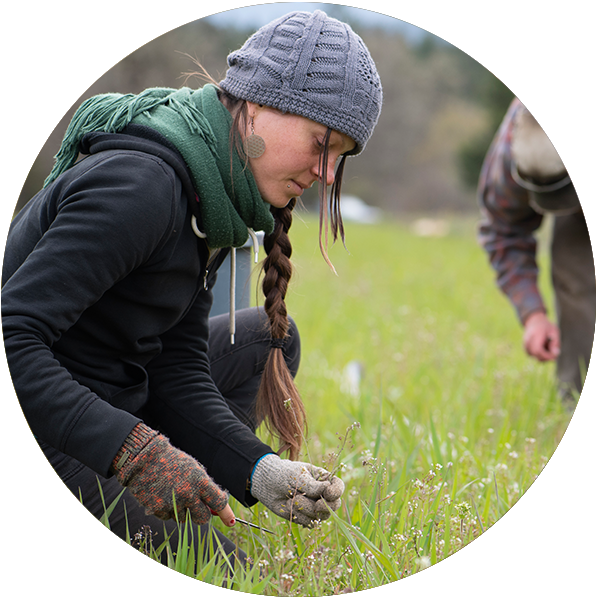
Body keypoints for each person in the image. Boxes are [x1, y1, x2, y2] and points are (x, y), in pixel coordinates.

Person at [2, 10, 382, 566]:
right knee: (226, 570)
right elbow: (13, 338)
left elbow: (174, 366)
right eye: (321, 143)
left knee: (270, 340)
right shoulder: (141, 188)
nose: (326, 174)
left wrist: (259, 469)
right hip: (50, 424)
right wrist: (136, 453)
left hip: (115, 397)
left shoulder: (213, 194)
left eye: (339, 157)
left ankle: (193, 485)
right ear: (254, 106)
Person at [477, 97, 594, 404]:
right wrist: (533, 314)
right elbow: (503, 232)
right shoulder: (510, 157)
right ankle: (573, 401)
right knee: (575, 268)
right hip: (569, 220)